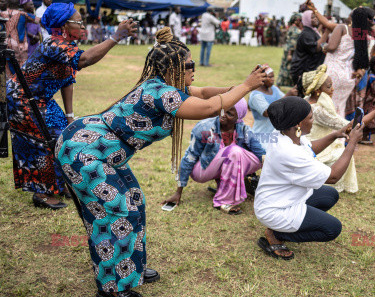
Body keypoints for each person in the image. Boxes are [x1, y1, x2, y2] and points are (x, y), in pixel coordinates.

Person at [55, 27, 268, 297]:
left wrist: (240, 85)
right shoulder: (161, 93)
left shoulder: (169, 87)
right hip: (84, 150)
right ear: (173, 68)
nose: (194, 68)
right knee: (117, 212)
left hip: (103, 150)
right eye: (189, 64)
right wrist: (247, 86)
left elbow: (204, 93)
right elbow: (209, 107)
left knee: (134, 202)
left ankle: (129, 267)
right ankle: (113, 288)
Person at [6, 3, 137, 210]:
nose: (83, 26)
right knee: (43, 141)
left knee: (64, 136)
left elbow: (67, 81)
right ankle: (43, 192)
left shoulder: (67, 45)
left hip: (41, 99)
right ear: (65, 26)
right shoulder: (53, 44)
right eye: (79, 22)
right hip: (22, 98)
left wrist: (69, 115)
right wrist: (115, 37)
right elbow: (84, 60)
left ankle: (60, 184)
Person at [254, 97, 364, 260]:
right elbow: (333, 176)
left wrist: (335, 135)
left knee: (329, 195)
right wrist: (352, 144)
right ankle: (277, 233)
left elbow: (309, 148)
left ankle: (286, 228)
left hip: (277, 198)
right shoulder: (289, 153)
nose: (313, 121)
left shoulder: (282, 133)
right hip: (275, 210)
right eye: (311, 117)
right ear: (298, 124)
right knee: (332, 229)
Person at [303, 65, 375, 192]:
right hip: (315, 149)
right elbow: (351, 126)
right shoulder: (317, 110)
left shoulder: (308, 101)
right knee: (343, 153)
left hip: (314, 144)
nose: (333, 89)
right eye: (329, 87)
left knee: (341, 148)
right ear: (317, 90)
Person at [163, 99, 264, 215]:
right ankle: (224, 201)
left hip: (228, 164)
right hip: (202, 169)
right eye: (223, 110)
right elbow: (190, 157)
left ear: (238, 117)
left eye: (229, 113)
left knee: (259, 158)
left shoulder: (244, 130)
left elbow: (260, 153)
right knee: (235, 151)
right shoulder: (205, 127)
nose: (223, 115)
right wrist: (178, 191)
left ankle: (230, 185)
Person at [322, 7, 374, 117]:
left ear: (352, 17)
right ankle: (337, 132)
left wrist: (324, 47)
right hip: (348, 76)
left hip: (332, 73)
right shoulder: (362, 36)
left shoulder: (342, 28)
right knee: (339, 107)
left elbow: (332, 47)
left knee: (325, 105)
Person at [248, 68, 297, 149]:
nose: (272, 79)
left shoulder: (274, 89)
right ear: (261, 78)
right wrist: (288, 96)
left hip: (276, 133)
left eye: (273, 77)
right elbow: (268, 113)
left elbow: (286, 102)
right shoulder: (256, 96)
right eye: (270, 77)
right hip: (263, 136)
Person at [290, 10, 326, 98]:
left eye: (315, 17)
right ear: (306, 20)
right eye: (312, 17)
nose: (315, 19)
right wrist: (327, 30)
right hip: (302, 70)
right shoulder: (306, 34)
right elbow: (316, 48)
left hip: (309, 69)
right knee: (302, 96)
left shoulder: (312, 31)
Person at [0, 0, 38, 77]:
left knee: (8, 71)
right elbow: (39, 21)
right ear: (18, 5)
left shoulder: (2, 14)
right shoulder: (23, 14)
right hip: (21, 47)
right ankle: (20, 87)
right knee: (22, 71)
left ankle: (10, 86)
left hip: (6, 46)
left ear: (7, 5)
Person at [276, 13, 302, 87]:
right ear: (296, 21)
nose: (301, 22)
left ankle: (280, 83)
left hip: (287, 50)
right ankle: (280, 83)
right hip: (291, 52)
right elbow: (292, 43)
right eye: (300, 20)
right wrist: (290, 54)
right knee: (288, 68)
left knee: (284, 66)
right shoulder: (296, 31)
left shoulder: (291, 28)